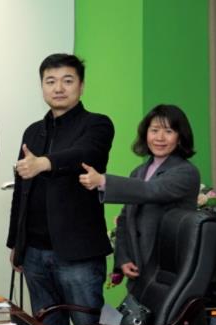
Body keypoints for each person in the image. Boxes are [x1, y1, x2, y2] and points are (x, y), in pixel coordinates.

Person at [6, 54, 114, 325]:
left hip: (78, 254)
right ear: (42, 86)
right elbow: (22, 190)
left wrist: (44, 163)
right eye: (50, 81)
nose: (58, 88)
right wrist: (16, 243)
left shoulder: (97, 125)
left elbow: (85, 154)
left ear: (81, 86)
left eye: (67, 81)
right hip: (34, 253)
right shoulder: (33, 131)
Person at [79, 104, 200, 290]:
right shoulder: (139, 171)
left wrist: (103, 181)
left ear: (180, 137)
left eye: (168, 131)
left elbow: (151, 190)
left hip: (168, 269)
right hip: (138, 269)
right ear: (146, 134)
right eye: (154, 130)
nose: (160, 138)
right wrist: (123, 258)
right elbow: (125, 219)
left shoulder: (186, 172)